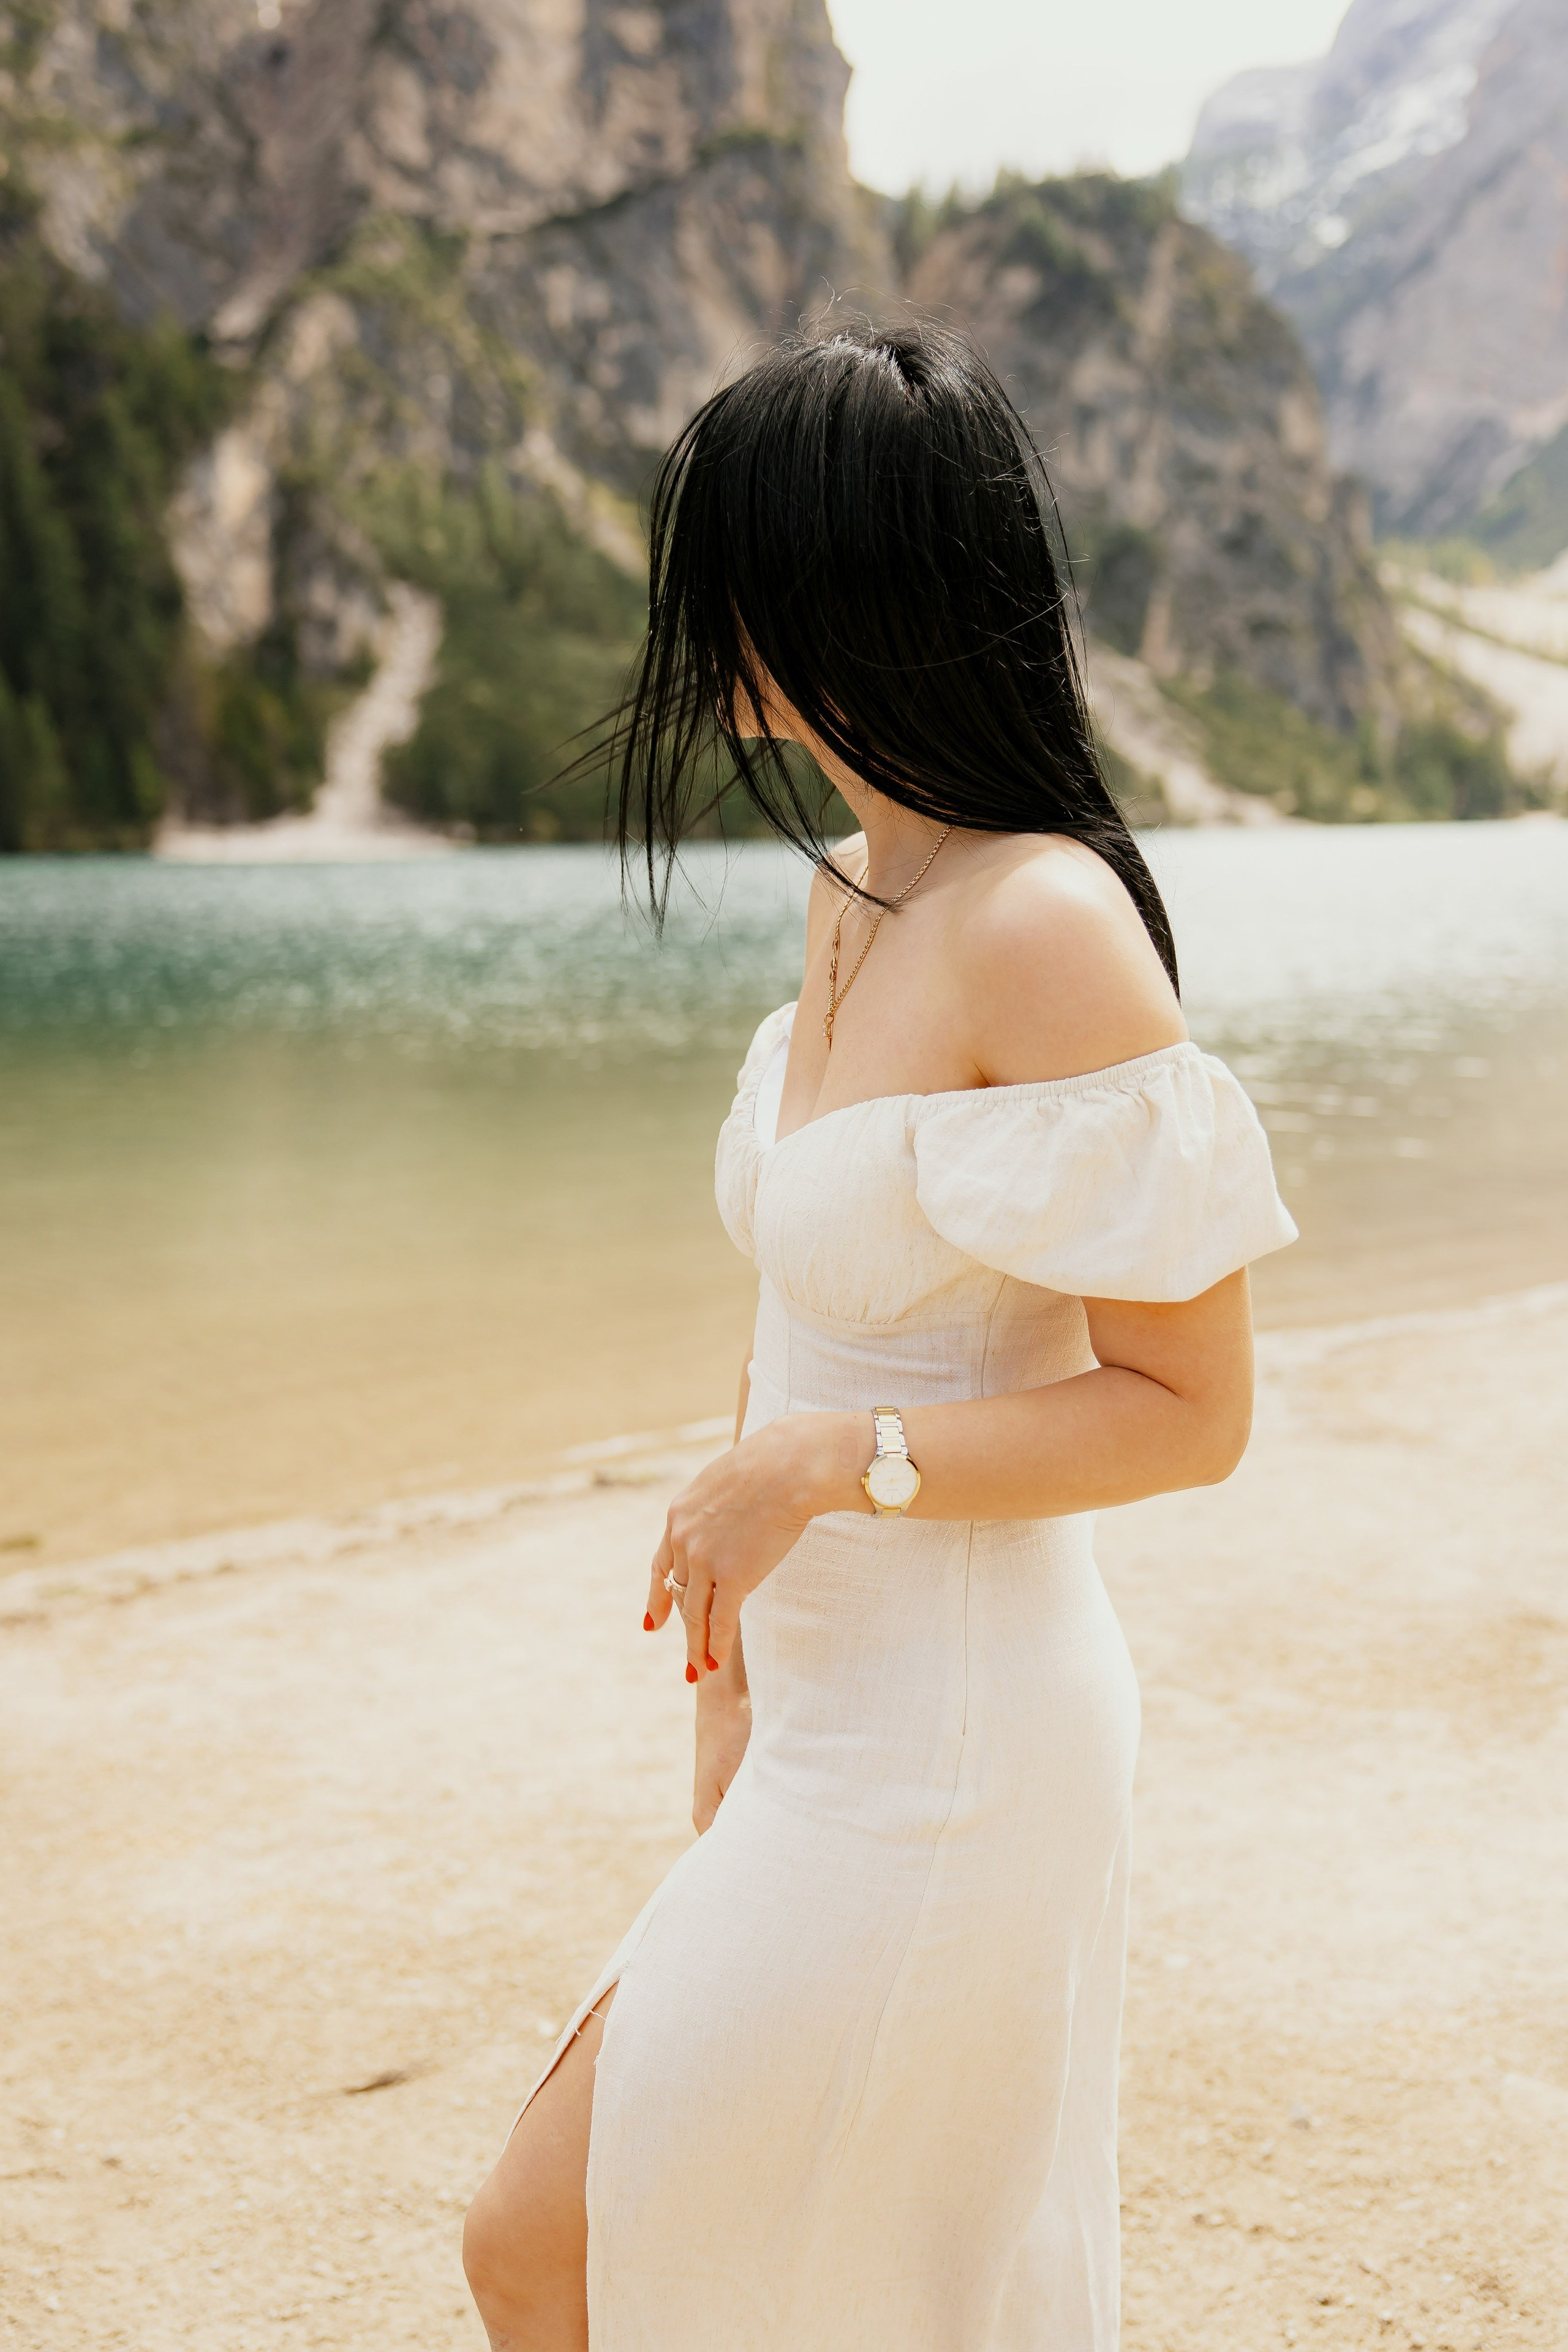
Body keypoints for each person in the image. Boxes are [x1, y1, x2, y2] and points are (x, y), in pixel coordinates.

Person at [462, 320, 1296, 2351]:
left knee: (543, 2237)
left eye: (744, 575)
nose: (712, 633)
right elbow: (802, 1308)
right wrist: (725, 1689)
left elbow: (1194, 1413)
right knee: (774, 2270)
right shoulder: (854, 888)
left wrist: (834, 1471)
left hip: (963, 1739)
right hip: (820, 1726)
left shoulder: (1045, 926)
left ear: (857, 584)